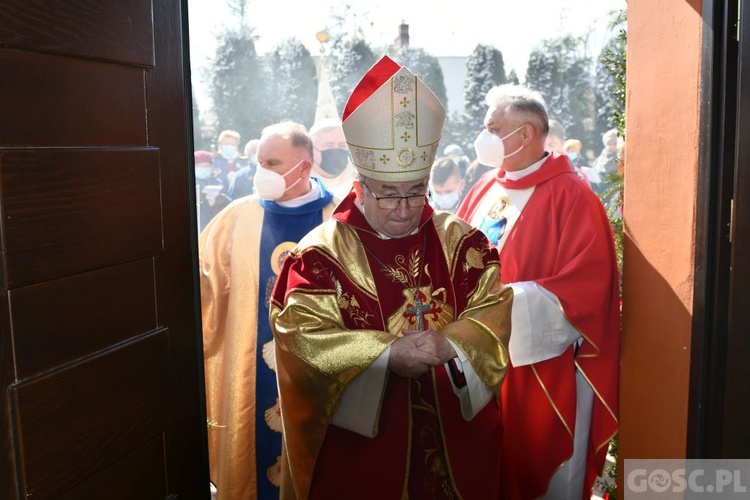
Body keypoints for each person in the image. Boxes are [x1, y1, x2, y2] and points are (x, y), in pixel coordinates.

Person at [270, 55, 512, 499]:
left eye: (415, 191)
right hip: (364, 459)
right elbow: (301, 340)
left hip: (457, 441)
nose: (404, 209)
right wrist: (384, 353)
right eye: (388, 195)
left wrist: (454, 342)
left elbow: (492, 308)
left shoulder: (462, 244)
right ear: (359, 188)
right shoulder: (319, 256)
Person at [458, 84, 620, 499]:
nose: (484, 137)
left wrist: (497, 308)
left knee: (533, 470)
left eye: (493, 129)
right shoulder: (485, 188)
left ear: (526, 134)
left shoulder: (573, 195)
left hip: (540, 370)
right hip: (478, 360)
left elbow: (587, 288)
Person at [200, 121, 337, 499]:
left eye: (273, 163)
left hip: (319, 374)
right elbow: (204, 286)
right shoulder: (236, 218)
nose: (262, 172)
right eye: (259, 161)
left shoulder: (340, 220)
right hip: (252, 375)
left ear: (305, 167)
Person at [308, 118, 356, 199]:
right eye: (329, 145)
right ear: (311, 148)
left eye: (342, 145)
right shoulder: (299, 180)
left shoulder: (359, 180)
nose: (336, 151)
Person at [194, 149, 230, 233]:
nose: (203, 169)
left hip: (213, 226)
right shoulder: (188, 181)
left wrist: (215, 201)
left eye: (206, 166)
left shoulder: (217, 182)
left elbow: (228, 203)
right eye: (200, 166)